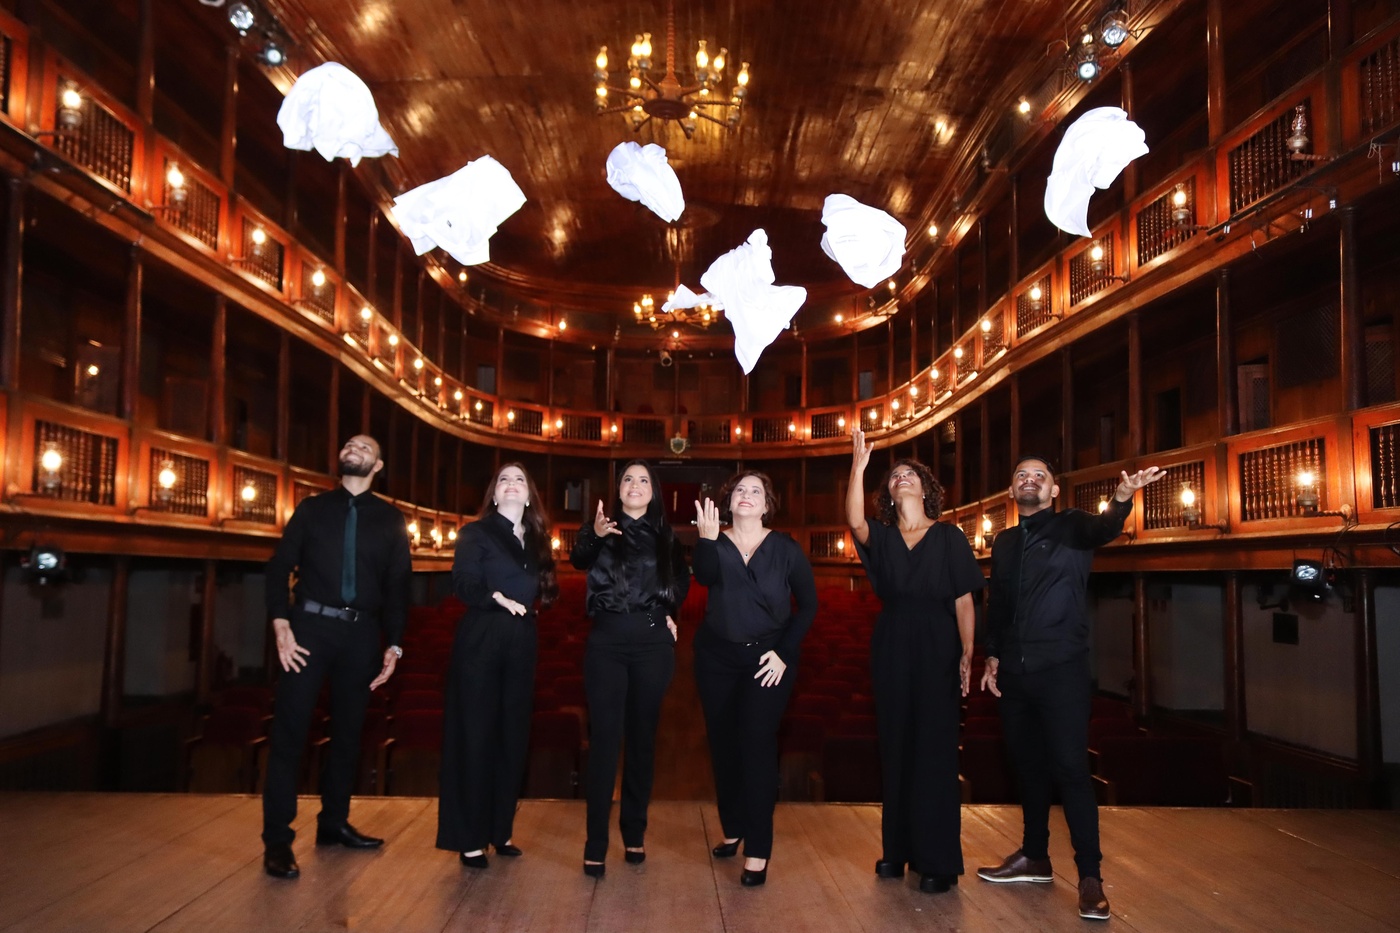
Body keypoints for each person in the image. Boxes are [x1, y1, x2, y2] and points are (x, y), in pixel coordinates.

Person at [977, 456, 1164, 921]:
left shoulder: (1073, 526)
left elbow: (1105, 527)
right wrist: (993, 655)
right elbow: (999, 604)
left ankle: (1090, 878)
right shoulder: (1004, 542)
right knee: (1027, 768)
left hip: (1061, 669)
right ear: (1011, 490)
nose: (1030, 480)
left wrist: (1122, 498)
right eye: (1021, 475)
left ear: (1054, 491)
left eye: (1039, 476)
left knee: (1070, 769)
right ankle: (1034, 857)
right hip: (1015, 673)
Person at [261, 434, 410, 879]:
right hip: (309, 627)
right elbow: (279, 566)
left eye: (365, 447)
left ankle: (333, 824)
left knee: (348, 735)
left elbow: (398, 587)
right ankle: (277, 842)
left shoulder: (391, 519)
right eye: (349, 444)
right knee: (290, 733)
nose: (354, 448)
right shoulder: (311, 509)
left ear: (377, 465)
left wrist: (394, 644)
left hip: (361, 632)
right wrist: (280, 621)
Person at [846, 428, 983, 894]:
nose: (901, 477)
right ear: (888, 492)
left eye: (910, 474)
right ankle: (897, 850)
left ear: (925, 489)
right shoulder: (883, 538)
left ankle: (937, 860)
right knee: (896, 745)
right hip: (892, 642)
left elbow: (963, 598)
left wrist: (968, 649)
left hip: (937, 641)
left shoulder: (948, 536)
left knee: (935, 750)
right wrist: (858, 467)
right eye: (895, 475)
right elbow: (854, 521)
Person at [693, 471, 818, 887]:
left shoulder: (786, 548)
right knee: (723, 745)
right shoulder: (715, 542)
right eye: (739, 490)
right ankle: (733, 828)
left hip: (768, 659)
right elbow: (704, 577)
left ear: (767, 505)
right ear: (729, 503)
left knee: (757, 745)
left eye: (756, 491)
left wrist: (784, 653)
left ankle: (759, 848)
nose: (746, 495)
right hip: (716, 659)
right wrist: (707, 540)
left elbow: (808, 606)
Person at [571, 460, 690, 877]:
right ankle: (595, 843)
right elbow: (578, 560)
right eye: (627, 479)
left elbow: (681, 581)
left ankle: (634, 831)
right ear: (618, 488)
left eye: (642, 480)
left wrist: (669, 611)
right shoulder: (599, 528)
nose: (634, 485)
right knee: (605, 741)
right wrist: (595, 533)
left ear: (653, 490)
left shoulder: (666, 537)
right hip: (606, 642)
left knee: (642, 740)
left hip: (652, 645)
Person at [437, 462, 558, 868]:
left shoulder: (537, 539)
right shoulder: (476, 533)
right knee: (475, 737)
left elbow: (544, 588)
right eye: (503, 479)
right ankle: (470, 839)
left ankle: (500, 830)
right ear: (493, 494)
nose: (511, 484)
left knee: (512, 737)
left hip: (522, 639)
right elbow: (462, 582)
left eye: (519, 479)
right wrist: (495, 598)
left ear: (529, 495)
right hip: (482, 637)